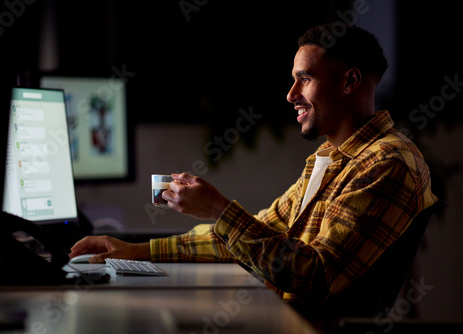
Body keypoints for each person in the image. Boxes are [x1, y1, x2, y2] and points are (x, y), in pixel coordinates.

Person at [70, 23, 437, 319]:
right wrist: (138, 250)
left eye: (305, 78)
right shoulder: (331, 158)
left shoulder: (386, 163)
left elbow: (316, 275)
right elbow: (253, 235)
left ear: (349, 82)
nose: (291, 94)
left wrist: (219, 209)